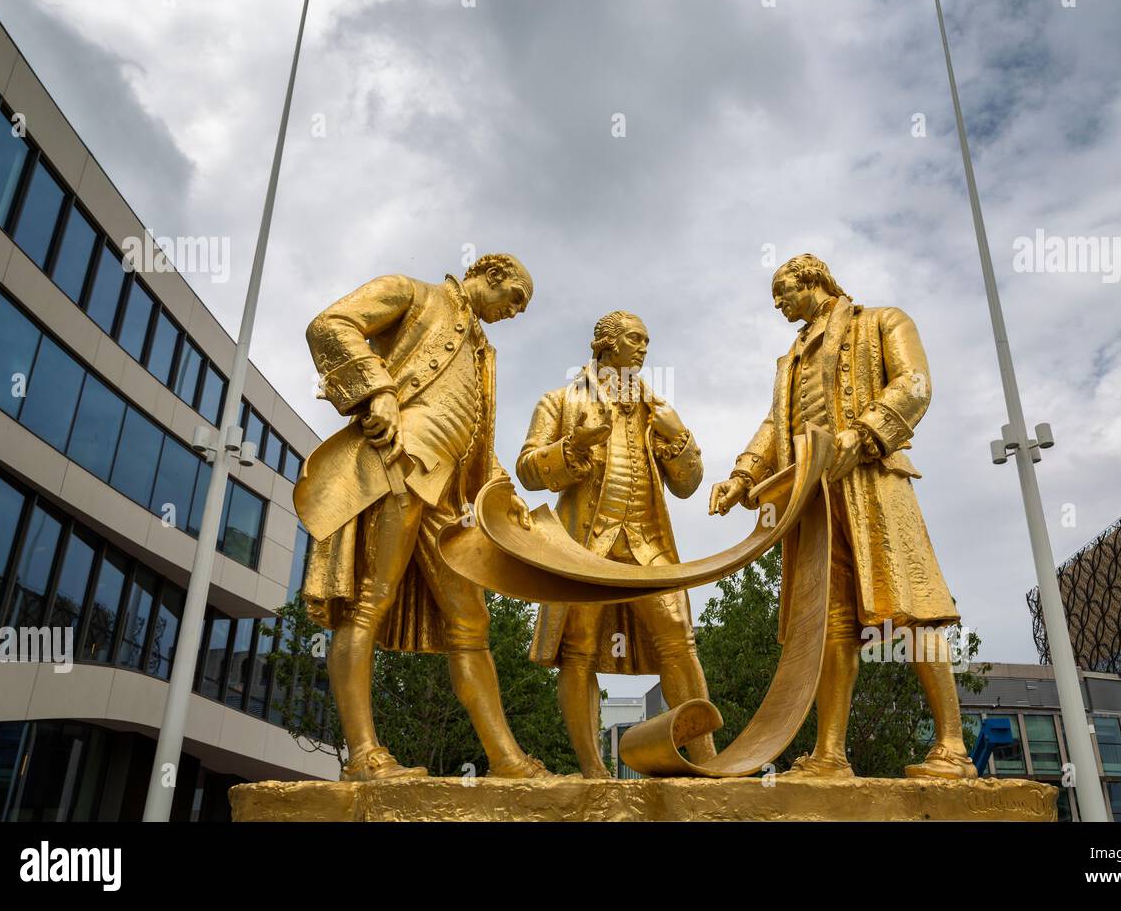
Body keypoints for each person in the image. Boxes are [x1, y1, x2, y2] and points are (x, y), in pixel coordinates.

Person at [708, 254, 977, 779]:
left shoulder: (882, 321)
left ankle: (952, 745)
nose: (779, 304)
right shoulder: (789, 362)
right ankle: (830, 754)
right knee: (829, 625)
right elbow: (774, 424)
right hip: (811, 500)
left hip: (872, 483)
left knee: (909, 607)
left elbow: (914, 383)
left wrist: (864, 434)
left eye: (784, 292)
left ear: (814, 281)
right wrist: (742, 475)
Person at [295, 253, 548, 780]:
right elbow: (330, 324)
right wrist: (378, 393)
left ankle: (507, 761)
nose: (516, 311)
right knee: (369, 603)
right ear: (491, 275)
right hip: (398, 466)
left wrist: (501, 489)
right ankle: (364, 756)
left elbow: (471, 437)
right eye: (516, 298)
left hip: (447, 495)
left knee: (471, 623)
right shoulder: (411, 292)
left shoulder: (482, 352)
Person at [517, 311, 715, 778]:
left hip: (648, 547)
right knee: (578, 650)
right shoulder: (560, 401)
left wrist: (679, 434)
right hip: (585, 548)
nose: (644, 347)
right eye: (634, 338)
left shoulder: (657, 408)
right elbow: (528, 469)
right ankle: (593, 771)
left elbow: (688, 485)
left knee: (680, 642)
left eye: (648, 340)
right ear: (605, 343)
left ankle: (708, 760)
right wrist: (573, 447)